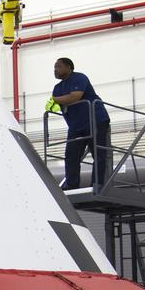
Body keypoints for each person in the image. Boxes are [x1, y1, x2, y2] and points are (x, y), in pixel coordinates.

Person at [50, 57, 111, 190]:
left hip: (95, 119)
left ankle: (97, 183)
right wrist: (57, 100)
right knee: (71, 155)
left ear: (69, 67)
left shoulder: (79, 78)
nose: (55, 69)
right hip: (76, 125)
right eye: (54, 67)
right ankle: (71, 185)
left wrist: (56, 99)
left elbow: (75, 96)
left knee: (98, 153)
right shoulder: (57, 88)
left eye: (58, 66)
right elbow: (60, 102)